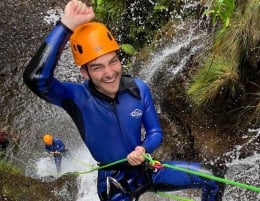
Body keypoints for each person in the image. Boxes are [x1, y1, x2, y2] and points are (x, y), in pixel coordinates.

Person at [23, 0, 224, 200]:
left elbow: (155, 132)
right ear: (84, 72)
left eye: (113, 61)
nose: (110, 73)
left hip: (146, 169)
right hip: (115, 183)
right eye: (97, 67)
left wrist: (143, 149)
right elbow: (36, 78)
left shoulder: (138, 89)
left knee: (214, 178)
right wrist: (66, 25)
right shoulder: (77, 98)